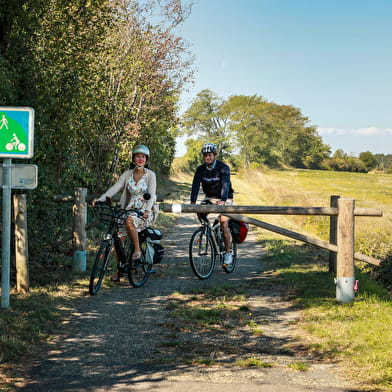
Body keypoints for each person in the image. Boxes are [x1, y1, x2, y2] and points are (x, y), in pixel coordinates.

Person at [92, 144, 157, 281]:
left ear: (146, 159)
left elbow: (151, 194)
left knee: (129, 221)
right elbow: (116, 187)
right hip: (129, 209)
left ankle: (138, 250)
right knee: (117, 237)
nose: (140, 159)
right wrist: (101, 199)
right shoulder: (128, 174)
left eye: (143, 157)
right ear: (134, 158)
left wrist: (146, 210)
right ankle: (120, 268)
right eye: (138, 156)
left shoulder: (151, 175)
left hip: (145, 211)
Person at [190, 142, 235, 266]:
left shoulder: (223, 167)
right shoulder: (200, 169)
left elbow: (225, 185)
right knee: (199, 210)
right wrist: (192, 202)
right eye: (205, 155)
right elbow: (195, 186)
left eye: (210, 155)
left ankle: (227, 253)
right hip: (209, 197)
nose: (207, 158)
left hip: (225, 198)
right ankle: (207, 228)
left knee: (224, 222)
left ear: (215, 155)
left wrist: (223, 200)